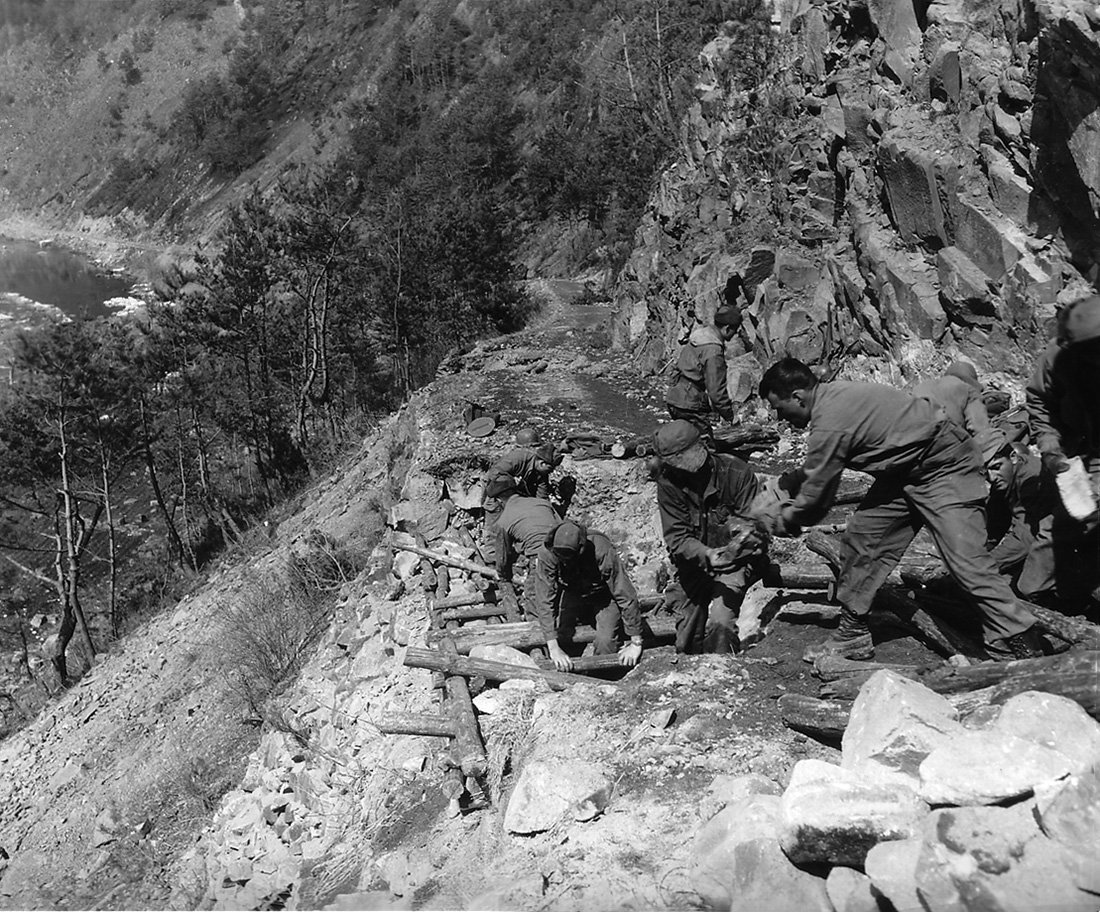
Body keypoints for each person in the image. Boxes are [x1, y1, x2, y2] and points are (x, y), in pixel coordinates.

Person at [756, 357, 1044, 662]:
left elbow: (816, 500)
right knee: (863, 538)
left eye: (779, 407)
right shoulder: (832, 401)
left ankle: (1024, 642)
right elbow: (817, 470)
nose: (780, 417)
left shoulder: (830, 420)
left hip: (947, 465)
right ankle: (853, 633)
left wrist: (777, 522)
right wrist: (784, 486)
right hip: (904, 472)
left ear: (798, 396)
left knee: (966, 560)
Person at [652, 419, 771, 654]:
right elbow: (677, 537)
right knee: (686, 635)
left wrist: (736, 540)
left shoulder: (737, 473)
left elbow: (758, 527)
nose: (681, 471)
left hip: (735, 564)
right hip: (695, 564)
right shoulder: (669, 483)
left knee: (720, 624)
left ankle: (723, 672)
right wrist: (706, 554)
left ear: (703, 446)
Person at [1025, 293, 1100, 603]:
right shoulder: (1057, 359)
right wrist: (1051, 450)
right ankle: (1033, 596)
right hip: (1069, 443)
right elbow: (1039, 404)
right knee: (1070, 513)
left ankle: (1078, 587)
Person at [532, 520, 644, 671]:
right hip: (572, 592)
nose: (564, 559)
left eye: (568, 555)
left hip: (603, 595)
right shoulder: (548, 552)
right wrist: (554, 649)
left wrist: (635, 642)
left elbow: (623, 591)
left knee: (606, 643)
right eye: (560, 555)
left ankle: (602, 679)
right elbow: (544, 599)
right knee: (563, 635)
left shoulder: (600, 548)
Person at [981, 429, 1061, 601]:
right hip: (1045, 536)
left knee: (1028, 588)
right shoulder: (1004, 478)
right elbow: (994, 527)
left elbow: (1025, 537)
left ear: (1014, 457)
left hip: (1071, 537)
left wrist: (981, 566)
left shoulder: (1032, 478)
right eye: (985, 471)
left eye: (996, 467)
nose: (991, 477)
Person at [481, 430, 563, 562]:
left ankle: (513, 551)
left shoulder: (541, 473)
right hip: (495, 492)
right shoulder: (518, 457)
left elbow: (541, 497)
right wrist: (511, 484)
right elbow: (494, 473)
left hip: (513, 497)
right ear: (542, 463)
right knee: (496, 523)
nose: (550, 473)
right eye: (550, 469)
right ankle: (492, 556)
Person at [665, 303, 743, 438]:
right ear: (727, 328)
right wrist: (730, 416)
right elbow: (716, 391)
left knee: (683, 442)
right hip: (690, 404)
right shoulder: (713, 350)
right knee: (704, 445)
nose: (735, 334)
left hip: (674, 397)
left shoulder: (699, 337)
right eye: (734, 330)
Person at [492, 478, 560, 609]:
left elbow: (502, 555)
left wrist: (503, 577)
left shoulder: (504, 520)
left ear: (499, 501)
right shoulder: (543, 503)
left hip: (540, 558)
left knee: (534, 599)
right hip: (566, 551)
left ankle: (536, 628)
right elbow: (563, 527)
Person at [912, 361, 991, 439]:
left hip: (910, 438)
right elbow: (979, 429)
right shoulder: (969, 390)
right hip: (941, 440)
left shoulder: (919, 387)